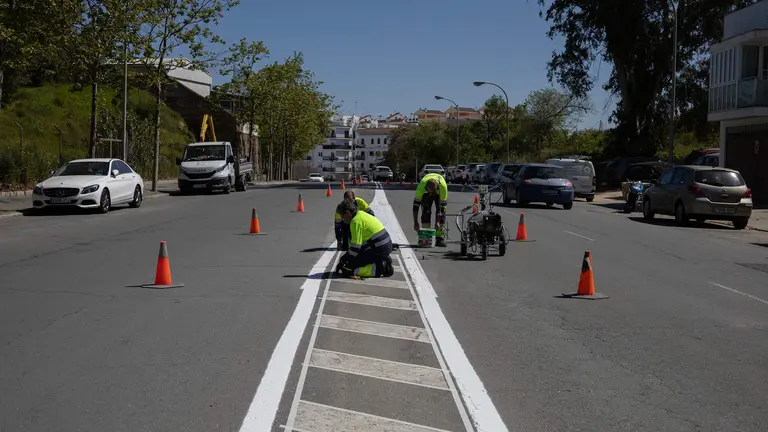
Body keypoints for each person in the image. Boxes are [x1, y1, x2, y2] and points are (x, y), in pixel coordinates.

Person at [336, 200, 394, 278]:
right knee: (353, 262)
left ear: (347, 212)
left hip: (380, 248)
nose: (343, 219)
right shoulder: (361, 213)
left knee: (349, 271)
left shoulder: (355, 222)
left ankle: (382, 267)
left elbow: (355, 248)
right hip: (385, 245)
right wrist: (347, 259)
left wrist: (344, 260)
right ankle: (382, 259)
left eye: (343, 216)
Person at [413, 172, 448, 247]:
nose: (431, 194)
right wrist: (415, 222)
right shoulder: (421, 188)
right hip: (426, 192)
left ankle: (439, 237)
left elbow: (442, 208)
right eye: (430, 192)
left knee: (442, 215)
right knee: (426, 212)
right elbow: (415, 206)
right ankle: (426, 236)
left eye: (432, 192)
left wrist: (438, 221)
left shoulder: (443, 188)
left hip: (439, 191)